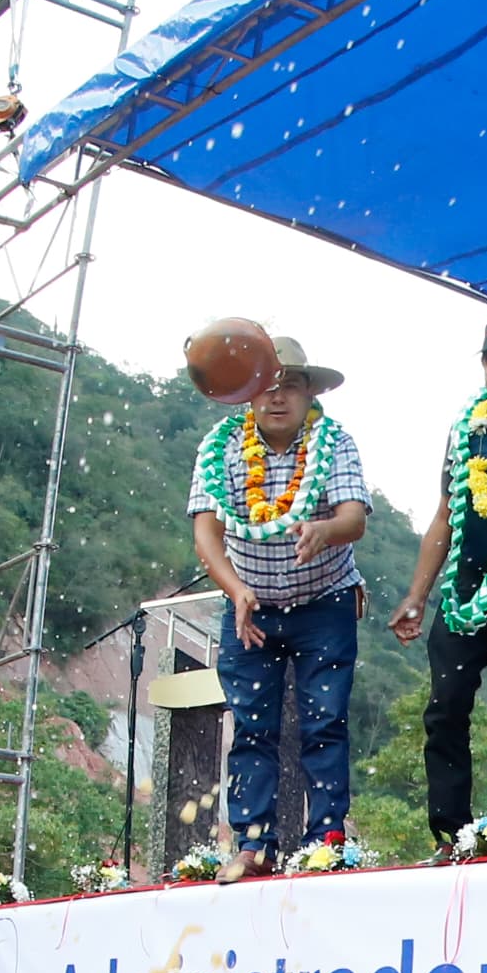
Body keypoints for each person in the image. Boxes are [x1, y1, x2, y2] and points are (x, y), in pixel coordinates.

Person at [185, 336, 373, 870]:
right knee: (252, 725)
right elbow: (206, 535)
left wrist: (325, 530)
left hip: (325, 601)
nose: (277, 397)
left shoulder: (334, 442)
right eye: (266, 386)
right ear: (246, 392)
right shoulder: (219, 449)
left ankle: (326, 842)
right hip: (250, 605)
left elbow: (354, 518)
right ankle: (254, 844)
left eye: (290, 385)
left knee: (324, 722)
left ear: (310, 393)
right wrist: (235, 589)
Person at [392, 312, 487, 845]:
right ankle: (450, 833)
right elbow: (444, 513)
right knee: (445, 708)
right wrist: (417, 595)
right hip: (464, 592)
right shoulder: (467, 429)